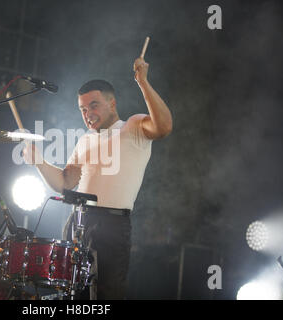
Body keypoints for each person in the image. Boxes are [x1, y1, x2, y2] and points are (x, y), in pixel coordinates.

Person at [23, 56, 172, 299]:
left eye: (93, 105)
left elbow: (164, 126)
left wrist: (143, 83)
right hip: (78, 221)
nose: (87, 113)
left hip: (112, 225)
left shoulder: (133, 126)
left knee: (105, 296)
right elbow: (64, 183)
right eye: (82, 109)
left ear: (112, 104)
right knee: (73, 294)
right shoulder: (85, 140)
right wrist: (38, 160)